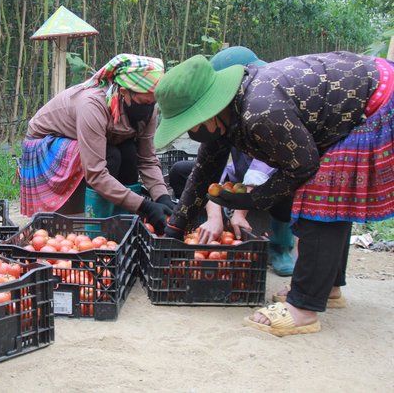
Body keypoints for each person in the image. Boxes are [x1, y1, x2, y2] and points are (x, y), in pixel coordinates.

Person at [152, 51, 391, 336]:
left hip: (378, 101)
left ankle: (302, 309)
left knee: (323, 198)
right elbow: (205, 170)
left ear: (209, 111)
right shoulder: (229, 111)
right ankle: (329, 289)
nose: (190, 133)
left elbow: (302, 168)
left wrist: (253, 200)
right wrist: (175, 231)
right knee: (329, 194)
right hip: (349, 108)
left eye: (189, 124)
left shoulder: (262, 111)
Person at [167, 46, 296, 276]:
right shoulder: (225, 114)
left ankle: (282, 247)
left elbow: (262, 168)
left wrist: (240, 212)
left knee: (286, 184)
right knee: (181, 171)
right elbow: (208, 169)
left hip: (270, 178)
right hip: (237, 179)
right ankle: (205, 229)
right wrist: (214, 214)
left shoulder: (264, 109)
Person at [20, 54, 174, 234]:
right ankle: (96, 225)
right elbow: (96, 173)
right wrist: (145, 206)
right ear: (123, 92)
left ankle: (123, 221)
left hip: (93, 140)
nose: (149, 108)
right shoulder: (92, 104)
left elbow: (146, 159)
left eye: (153, 103)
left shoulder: (147, 108)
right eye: (144, 102)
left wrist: (162, 198)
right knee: (112, 156)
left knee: (129, 152)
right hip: (46, 146)